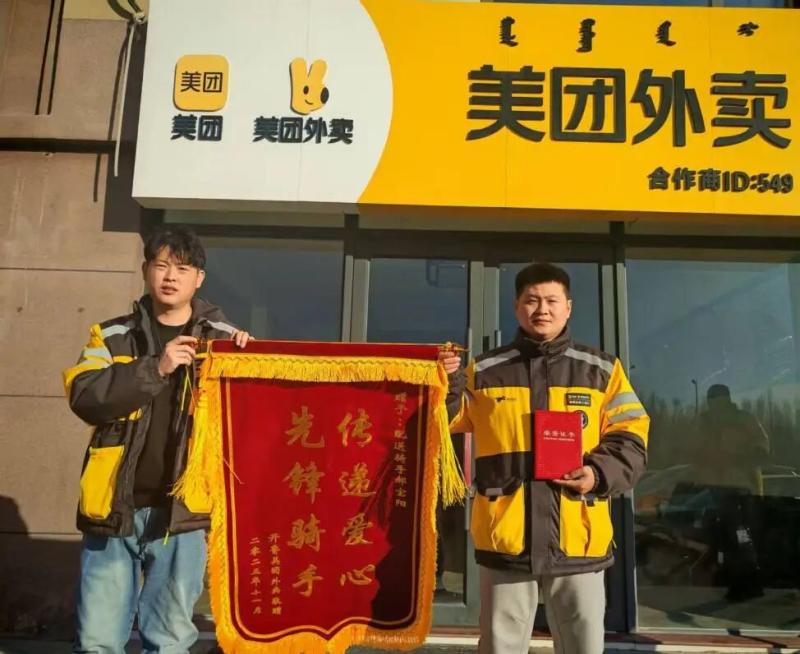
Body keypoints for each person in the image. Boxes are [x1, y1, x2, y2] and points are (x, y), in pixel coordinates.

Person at [440, 263, 649, 654]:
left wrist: (597, 472)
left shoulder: (602, 370)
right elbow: (446, 421)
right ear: (516, 307)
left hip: (579, 538)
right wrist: (447, 384)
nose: (542, 309)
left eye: (552, 300)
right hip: (507, 540)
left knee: (583, 647)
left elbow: (632, 436)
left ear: (568, 307)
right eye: (531, 300)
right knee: (500, 648)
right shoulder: (483, 371)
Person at [63, 226, 250, 654]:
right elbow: (85, 396)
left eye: (182, 268)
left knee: (169, 642)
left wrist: (252, 361)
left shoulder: (224, 341)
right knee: (96, 641)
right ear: (147, 270)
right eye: (162, 265)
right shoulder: (111, 335)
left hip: (183, 515)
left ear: (199, 278)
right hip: (114, 507)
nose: (170, 276)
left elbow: (255, 420)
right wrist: (157, 368)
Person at [692, 384, 769, 602]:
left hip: (740, 488)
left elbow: (762, 448)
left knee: (740, 535)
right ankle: (731, 576)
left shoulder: (743, 420)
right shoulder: (704, 423)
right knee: (721, 535)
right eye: (712, 400)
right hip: (714, 487)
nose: (714, 404)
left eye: (717, 399)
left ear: (726, 399)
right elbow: (694, 452)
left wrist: (740, 459)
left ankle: (749, 580)